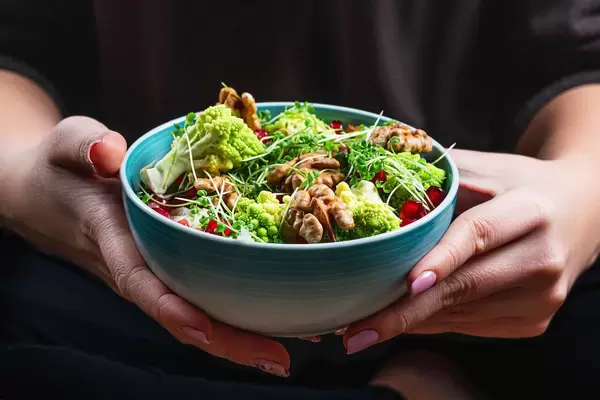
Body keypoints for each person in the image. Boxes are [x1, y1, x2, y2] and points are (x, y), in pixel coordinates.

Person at [2, 0, 600, 398]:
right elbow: (17, 52)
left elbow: (575, 65)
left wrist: (579, 194)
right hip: (130, 275)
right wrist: (25, 174)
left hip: (468, 288)